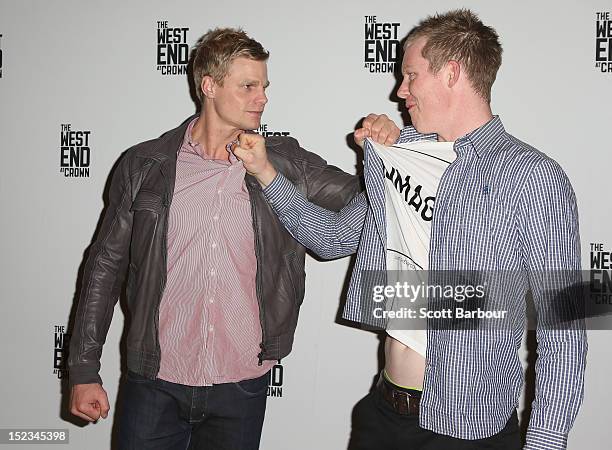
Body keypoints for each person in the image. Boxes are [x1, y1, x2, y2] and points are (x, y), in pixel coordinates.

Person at [235, 9, 587, 450]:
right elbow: (329, 239)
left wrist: (545, 444)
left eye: (411, 76)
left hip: (466, 432)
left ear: (452, 73)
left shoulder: (532, 176)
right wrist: (266, 173)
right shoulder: (401, 158)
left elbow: (564, 334)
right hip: (382, 414)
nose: (399, 91)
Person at [67, 27, 397, 450]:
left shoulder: (286, 162)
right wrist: (83, 369)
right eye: (248, 86)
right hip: (155, 380)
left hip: (241, 385)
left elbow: (372, 200)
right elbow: (104, 269)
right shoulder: (144, 165)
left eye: (264, 86)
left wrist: (388, 147)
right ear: (209, 86)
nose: (262, 98)